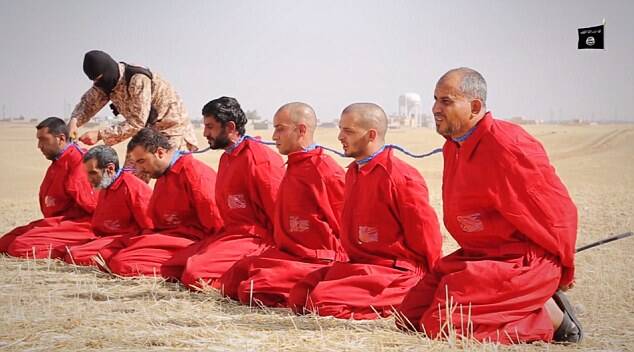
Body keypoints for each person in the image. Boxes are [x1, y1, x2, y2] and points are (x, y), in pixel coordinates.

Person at [397, 67, 582, 344]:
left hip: (520, 262)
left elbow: (557, 213)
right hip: (478, 257)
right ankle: (521, 304)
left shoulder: (507, 146)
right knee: (408, 318)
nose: (435, 108)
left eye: (446, 101)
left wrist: (564, 269)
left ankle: (550, 317)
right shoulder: (455, 146)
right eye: (435, 99)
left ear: (474, 106)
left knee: (443, 327)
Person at [288, 103, 442, 320]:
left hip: (396, 271)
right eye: (341, 129)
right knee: (299, 296)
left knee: (323, 302)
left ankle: (404, 299)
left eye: (348, 131)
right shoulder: (353, 173)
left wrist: (432, 280)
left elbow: (426, 232)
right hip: (361, 265)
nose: (340, 136)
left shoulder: (400, 177)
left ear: (371, 134)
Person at [219, 102, 347, 306]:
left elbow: (344, 223)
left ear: (301, 130)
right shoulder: (294, 165)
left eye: (280, 128)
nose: (274, 136)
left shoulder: (325, 171)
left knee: (253, 289)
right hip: (288, 253)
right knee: (231, 281)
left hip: (315, 258)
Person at [180, 97, 285, 289]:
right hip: (232, 235)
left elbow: (278, 212)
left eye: (210, 127)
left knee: (195, 274)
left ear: (230, 126)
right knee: (176, 264)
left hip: (257, 239)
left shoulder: (260, 159)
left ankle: (239, 284)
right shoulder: (227, 158)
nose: (205, 133)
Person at [106, 128, 223, 279]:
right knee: (107, 253)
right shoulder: (163, 176)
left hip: (192, 242)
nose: (140, 169)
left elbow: (216, 226)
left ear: (160, 153)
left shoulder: (194, 174)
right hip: (167, 238)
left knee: (122, 264)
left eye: (142, 161)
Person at [67, 50, 199, 180]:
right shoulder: (105, 83)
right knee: (129, 178)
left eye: (100, 79)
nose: (99, 84)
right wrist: (74, 121)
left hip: (172, 130)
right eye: (95, 81)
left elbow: (137, 122)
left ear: (109, 71)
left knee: (173, 177)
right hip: (147, 133)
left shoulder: (137, 78)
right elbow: (88, 104)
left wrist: (100, 135)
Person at [0, 117, 97, 258]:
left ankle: (77, 247)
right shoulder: (58, 161)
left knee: (20, 247)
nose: (39, 146)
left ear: (61, 139)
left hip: (79, 224)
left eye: (43, 140)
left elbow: (93, 206)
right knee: (4, 243)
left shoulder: (78, 162)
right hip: (57, 223)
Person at [63, 145, 153, 266]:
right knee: (67, 250)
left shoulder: (133, 187)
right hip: (107, 239)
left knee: (76, 255)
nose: (89, 179)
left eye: (93, 173)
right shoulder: (105, 185)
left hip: (126, 241)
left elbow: (149, 228)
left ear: (110, 169)